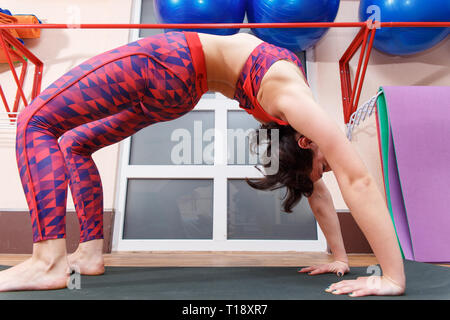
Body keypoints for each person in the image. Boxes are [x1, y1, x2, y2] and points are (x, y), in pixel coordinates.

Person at [0, 31, 405, 296]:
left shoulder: (291, 101)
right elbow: (322, 188)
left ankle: (48, 260)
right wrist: (341, 258)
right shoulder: (290, 113)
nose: (330, 166)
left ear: (304, 143)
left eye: (325, 165)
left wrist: (390, 278)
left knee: (34, 121)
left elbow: (356, 181)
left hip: (171, 62)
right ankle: (88, 254)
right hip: (180, 90)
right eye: (326, 164)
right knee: (73, 144)